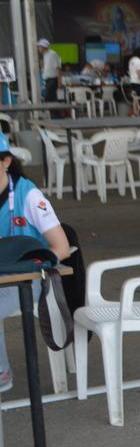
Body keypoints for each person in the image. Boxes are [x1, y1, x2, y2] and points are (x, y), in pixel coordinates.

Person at [0, 133, 71, 391]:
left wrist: (27, 266)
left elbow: (62, 248)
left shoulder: (28, 195)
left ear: (6, 161)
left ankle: (1, 373)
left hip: (32, 279)